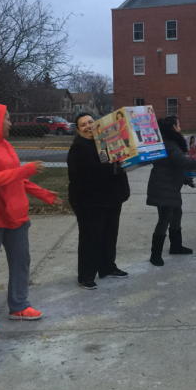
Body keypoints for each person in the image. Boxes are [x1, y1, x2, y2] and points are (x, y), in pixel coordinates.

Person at [0, 102, 62, 334]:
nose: (10, 122)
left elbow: (15, 178)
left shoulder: (6, 145)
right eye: (7, 118)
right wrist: (25, 169)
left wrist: (44, 194)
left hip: (17, 215)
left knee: (21, 262)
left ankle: (19, 305)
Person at [67, 112, 130, 289]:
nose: (88, 126)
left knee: (109, 235)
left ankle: (107, 267)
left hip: (111, 198)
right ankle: (86, 275)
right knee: (91, 238)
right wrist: (114, 167)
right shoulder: (79, 148)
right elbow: (87, 174)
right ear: (78, 130)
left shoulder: (106, 141)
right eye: (83, 125)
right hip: (89, 202)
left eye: (90, 122)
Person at [146, 115, 196, 266]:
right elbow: (182, 161)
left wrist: (186, 180)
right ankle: (155, 254)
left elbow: (175, 166)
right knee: (164, 219)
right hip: (163, 187)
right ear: (173, 128)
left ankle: (176, 246)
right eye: (178, 125)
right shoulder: (169, 144)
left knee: (176, 215)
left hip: (170, 186)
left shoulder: (170, 142)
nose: (180, 128)